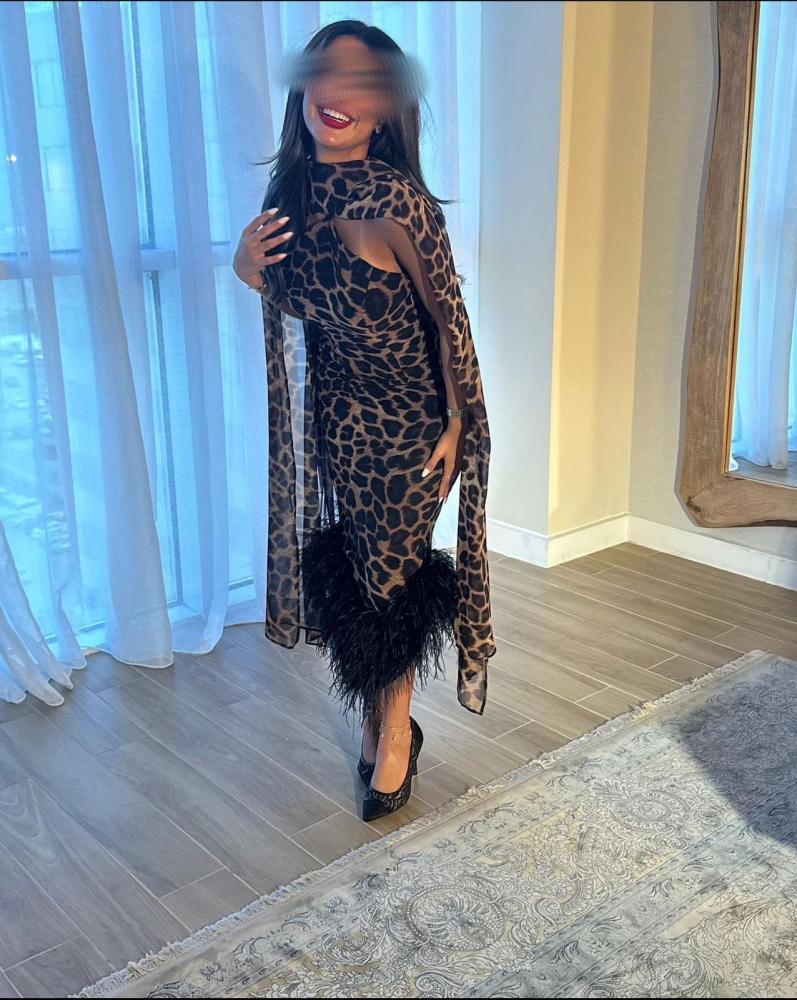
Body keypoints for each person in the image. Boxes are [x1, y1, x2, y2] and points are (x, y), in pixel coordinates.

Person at [233, 19, 495, 822]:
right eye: (324, 73)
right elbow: (291, 298)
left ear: (385, 108)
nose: (336, 94)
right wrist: (243, 265)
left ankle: (393, 736)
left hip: (413, 426)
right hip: (341, 422)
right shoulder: (291, 195)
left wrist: (459, 422)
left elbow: (448, 321)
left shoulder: (396, 201)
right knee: (362, 569)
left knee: (392, 580)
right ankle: (387, 724)